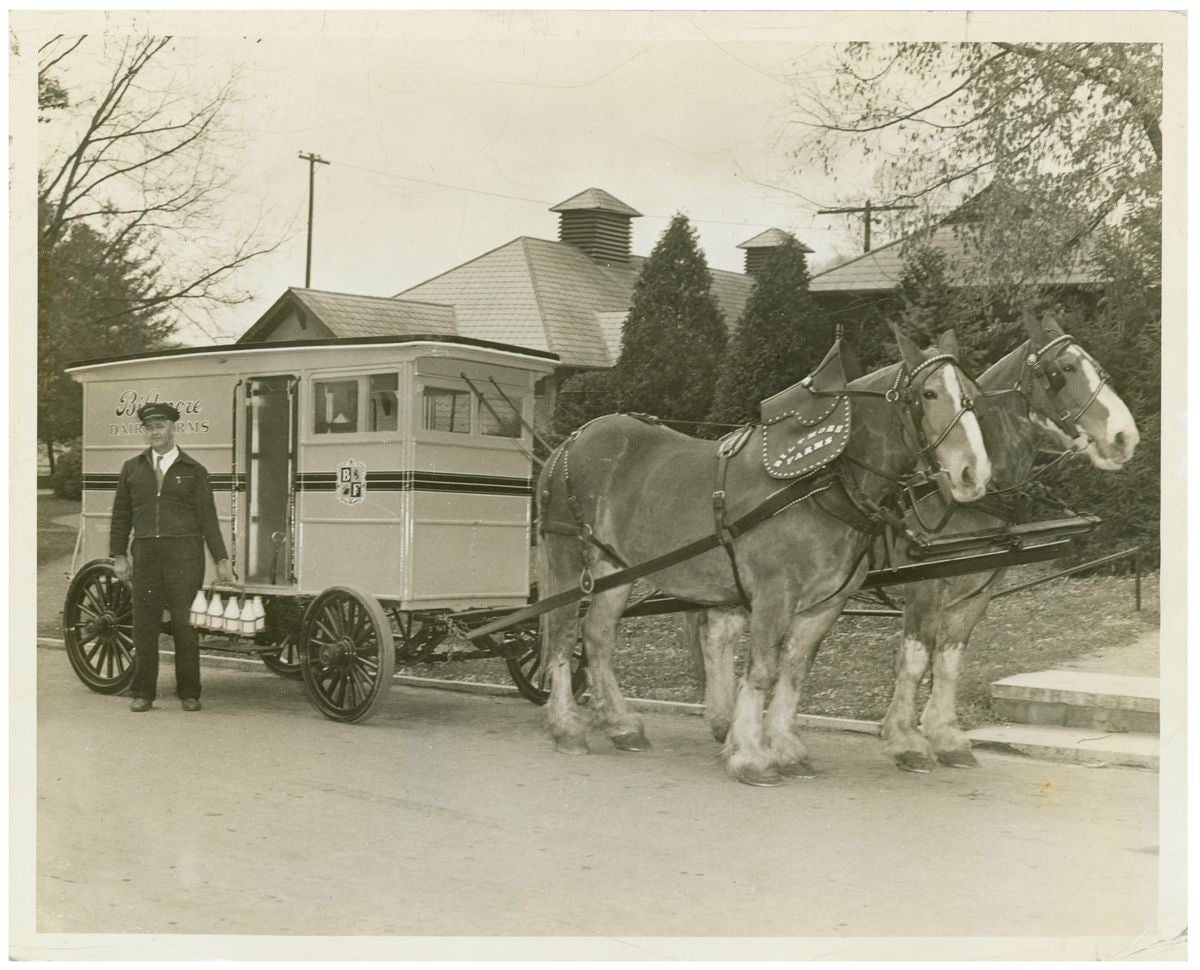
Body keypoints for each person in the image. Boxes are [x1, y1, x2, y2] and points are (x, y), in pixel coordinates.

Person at [110, 402, 236, 712]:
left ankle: (189, 693)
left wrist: (221, 559)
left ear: (172, 429)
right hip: (146, 555)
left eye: (160, 426)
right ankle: (143, 693)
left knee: (185, 626)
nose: (154, 432)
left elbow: (208, 519)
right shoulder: (132, 468)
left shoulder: (194, 470)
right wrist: (119, 555)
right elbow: (121, 515)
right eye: (149, 427)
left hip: (184, 557)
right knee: (145, 627)